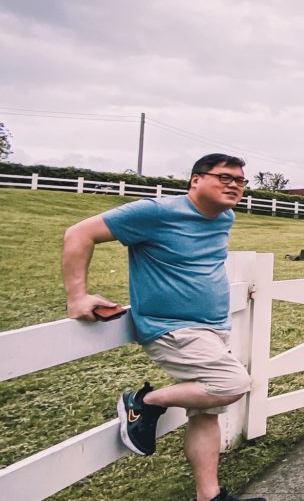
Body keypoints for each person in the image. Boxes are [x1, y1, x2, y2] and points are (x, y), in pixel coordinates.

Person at [62, 154, 265, 501]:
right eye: (224, 177)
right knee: (232, 383)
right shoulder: (154, 213)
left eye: (240, 180)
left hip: (214, 329)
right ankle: (145, 402)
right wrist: (76, 297)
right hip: (173, 329)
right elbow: (79, 233)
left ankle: (209, 496)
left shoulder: (223, 218)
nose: (234, 185)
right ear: (195, 180)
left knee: (206, 414)